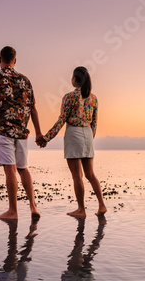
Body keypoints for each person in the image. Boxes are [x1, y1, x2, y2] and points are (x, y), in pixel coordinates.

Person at [0, 46, 44, 220]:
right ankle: (33, 207)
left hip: (2, 129)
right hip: (22, 132)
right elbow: (33, 109)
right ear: (15, 61)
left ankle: (12, 211)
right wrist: (38, 133)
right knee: (23, 169)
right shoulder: (25, 80)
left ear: (0, 59)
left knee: (10, 170)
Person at [37, 67, 107, 217]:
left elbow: (61, 120)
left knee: (77, 176)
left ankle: (81, 209)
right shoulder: (93, 98)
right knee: (90, 174)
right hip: (88, 134)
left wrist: (46, 138)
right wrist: (89, 138)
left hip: (74, 133)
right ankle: (101, 205)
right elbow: (95, 123)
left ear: (75, 79)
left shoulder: (69, 97)